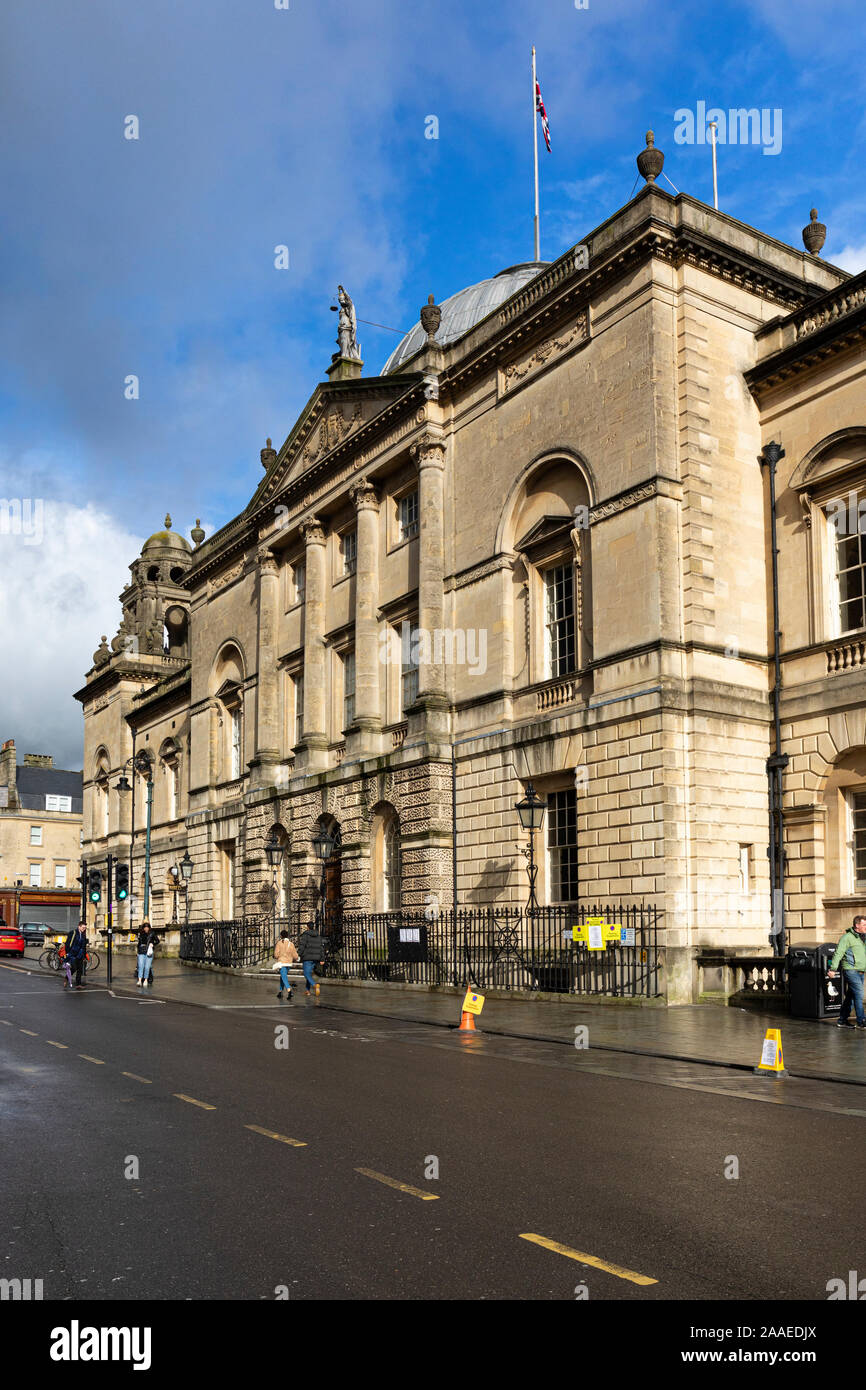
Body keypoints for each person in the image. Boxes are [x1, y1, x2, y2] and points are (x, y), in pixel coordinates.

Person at [828, 915, 866, 1029]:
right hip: (851, 970)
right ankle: (861, 1021)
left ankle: (842, 1020)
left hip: (860, 971)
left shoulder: (863, 938)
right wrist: (833, 969)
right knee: (859, 995)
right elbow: (838, 953)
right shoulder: (847, 938)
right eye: (864, 925)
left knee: (851, 997)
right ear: (857, 925)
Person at [298, 921, 325, 998]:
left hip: (307, 958)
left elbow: (302, 946)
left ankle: (315, 985)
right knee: (309, 974)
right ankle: (307, 991)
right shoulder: (318, 936)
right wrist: (322, 959)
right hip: (316, 958)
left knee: (306, 974)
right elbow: (321, 948)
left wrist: (298, 955)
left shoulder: (305, 935)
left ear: (307, 927)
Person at [272, 930, 299, 1000]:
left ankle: (289, 991)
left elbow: (276, 955)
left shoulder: (279, 943)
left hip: (282, 963)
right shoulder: (291, 944)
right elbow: (295, 956)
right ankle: (280, 992)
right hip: (289, 964)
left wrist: (276, 956)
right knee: (283, 977)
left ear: (281, 936)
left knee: (284, 977)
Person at [65, 921, 88, 990]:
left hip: (80, 955)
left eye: (85, 928)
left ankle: (78, 984)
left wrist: (84, 955)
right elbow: (68, 944)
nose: (84, 929)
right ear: (79, 926)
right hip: (73, 954)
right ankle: (66, 978)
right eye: (83, 927)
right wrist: (68, 953)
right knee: (74, 968)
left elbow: (83, 946)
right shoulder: (73, 933)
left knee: (80, 970)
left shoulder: (83, 934)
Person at [136, 922, 160, 988]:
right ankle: (139, 980)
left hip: (149, 952)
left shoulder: (152, 933)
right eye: (145, 927)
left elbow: (158, 941)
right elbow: (139, 943)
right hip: (141, 951)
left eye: (147, 927)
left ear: (149, 928)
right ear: (143, 928)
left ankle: (146, 980)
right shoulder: (141, 933)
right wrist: (137, 952)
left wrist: (153, 944)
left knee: (147, 967)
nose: (146, 928)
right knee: (141, 966)